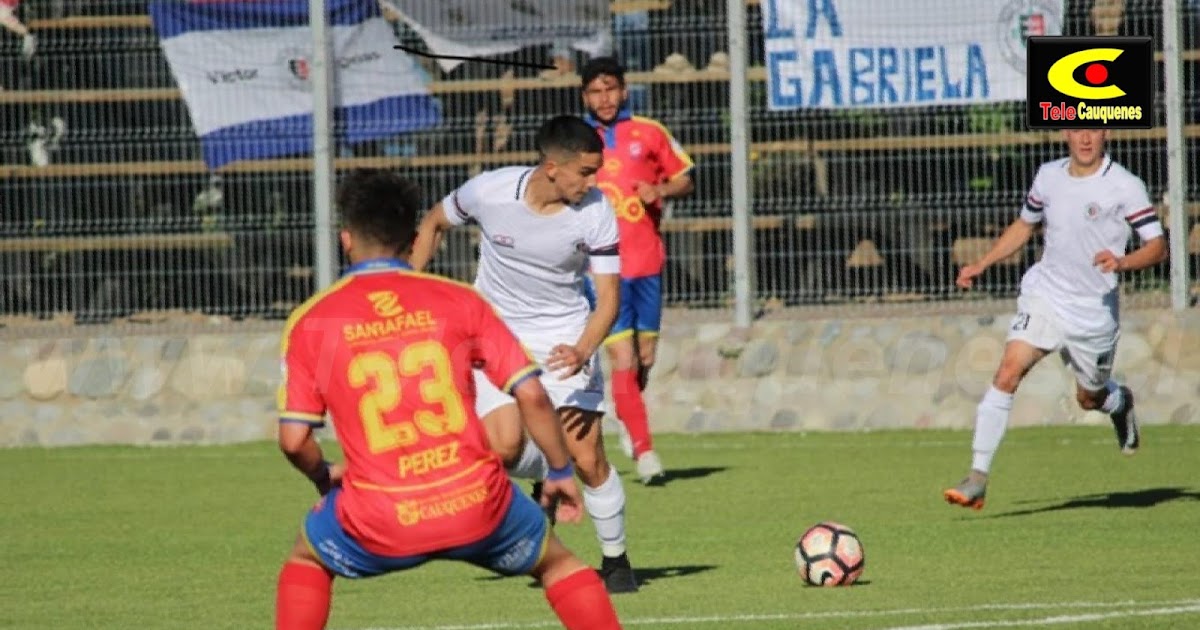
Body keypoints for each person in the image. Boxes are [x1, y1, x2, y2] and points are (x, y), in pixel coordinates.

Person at [273, 169, 623, 629]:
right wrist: (558, 471)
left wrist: (323, 477)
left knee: (306, 561)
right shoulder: (459, 300)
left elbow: (294, 440)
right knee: (559, 565)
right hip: (476, 502)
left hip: (379, 510)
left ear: (345, 240)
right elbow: (533, 394)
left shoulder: (311, 320)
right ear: (413, 236)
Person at [410, 115, 639, 594]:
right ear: (553, 167)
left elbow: (609, 297)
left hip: (566, 335)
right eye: (586, 172)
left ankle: (616, 562)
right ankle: (545, 474)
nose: (594, 182)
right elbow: (433, 222)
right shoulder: (489, 192)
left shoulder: (597, 212)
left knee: (586, 455)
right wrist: (408, 287)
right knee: (505, 447)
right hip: (496, 334)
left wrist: (582, 349)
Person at [944, 129, 1167, 511]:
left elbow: (1157, 246)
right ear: (1066, 132)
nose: (1085, 139)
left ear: (1105, 133)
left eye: (1092, 130)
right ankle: (978, 477)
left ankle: (1118, 401)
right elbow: (1024, 225)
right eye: (1077, 129)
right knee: (1007, 372)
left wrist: (1122, 262)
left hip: (1093, 312)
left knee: (1088, 398)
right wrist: (982, 263)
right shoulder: (1048, 176)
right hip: (1046, 296)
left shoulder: (1125, 186)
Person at [579, 56, 695, 484]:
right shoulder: (577, 140)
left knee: (644, 359)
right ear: (584, 96)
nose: (603, 98)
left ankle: (628, 414)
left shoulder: (649, 132)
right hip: (603, 272)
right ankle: (646, 454)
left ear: (624, 91)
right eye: (595, 91)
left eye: (610, 88)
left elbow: (685, 176)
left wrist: (660, 188)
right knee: (622, 356)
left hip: (647, 264)